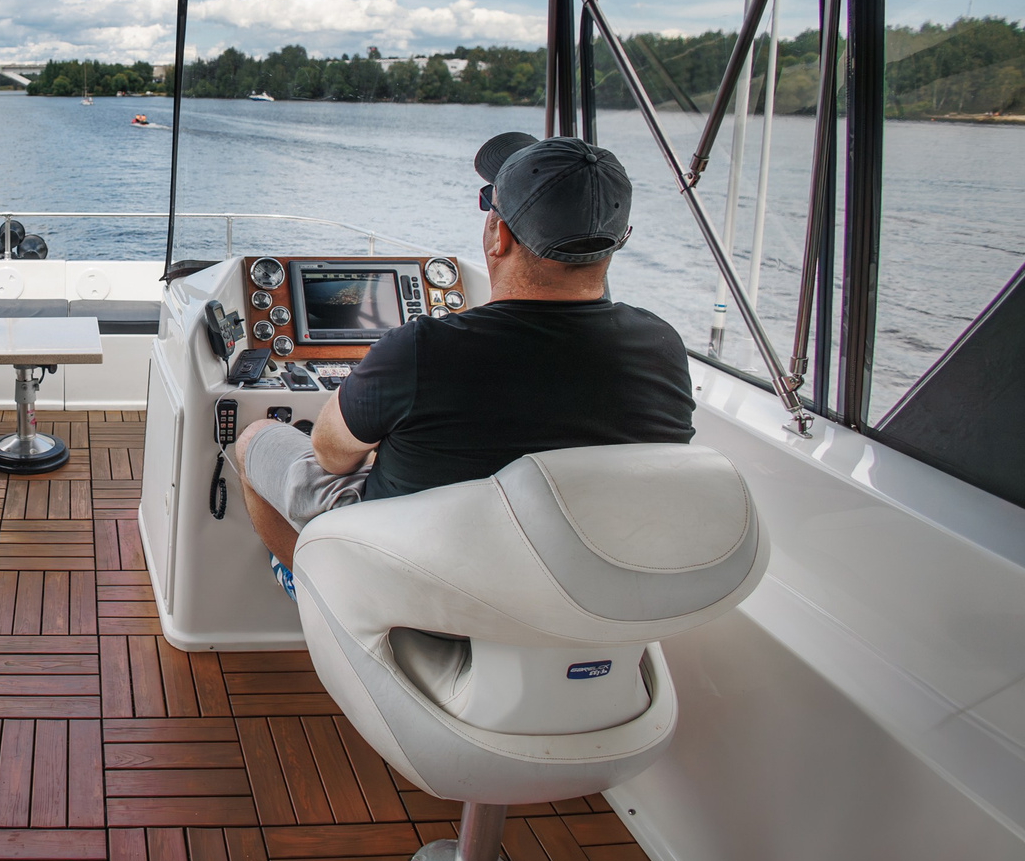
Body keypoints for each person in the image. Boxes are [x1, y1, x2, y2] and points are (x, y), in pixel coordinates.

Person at [236, 132, 696, 582]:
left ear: (498, 234)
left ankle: (322, 595)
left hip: (419, 583)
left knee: (255, 438)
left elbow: (331, 455)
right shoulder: (662, 349)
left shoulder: (421, 349)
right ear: (618, 240)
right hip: (580, 587)